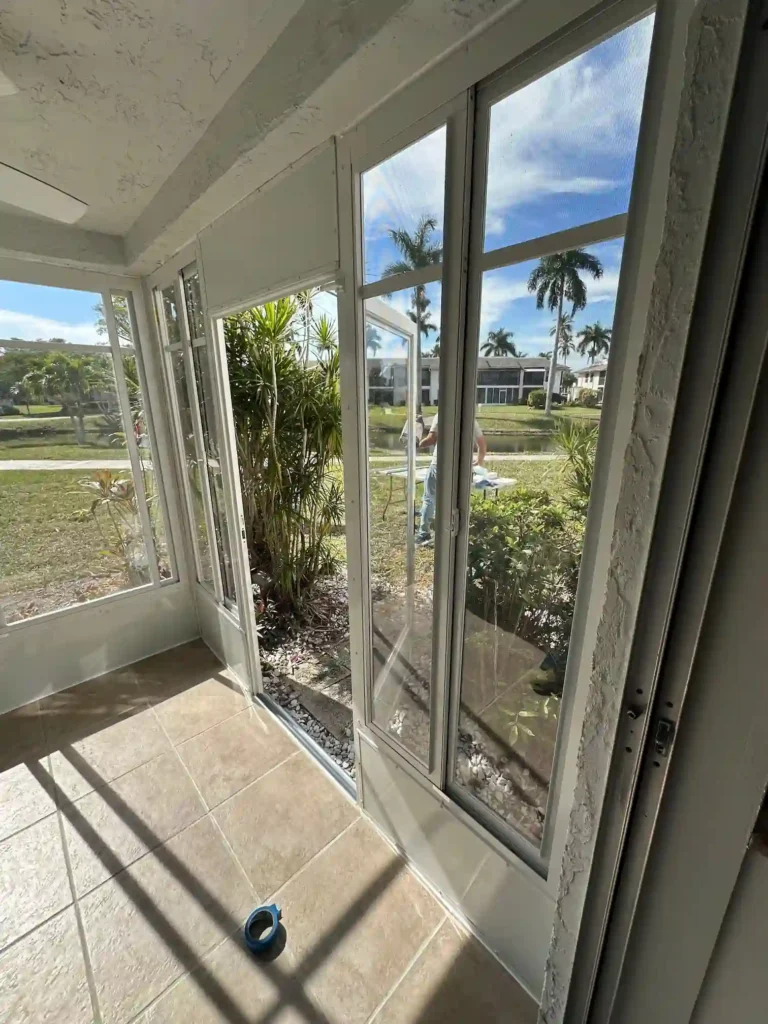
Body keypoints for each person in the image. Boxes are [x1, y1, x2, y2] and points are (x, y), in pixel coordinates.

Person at [416, 411, 486, 545]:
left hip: (439, 465)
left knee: (429, 499)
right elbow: (482, 445)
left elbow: (431, 439)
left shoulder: (441, 415)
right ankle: (453, 535)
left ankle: (424, 534)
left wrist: (417, 444)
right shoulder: (469, 418)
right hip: (462, 468)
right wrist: (479, 461)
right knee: (456, 502)